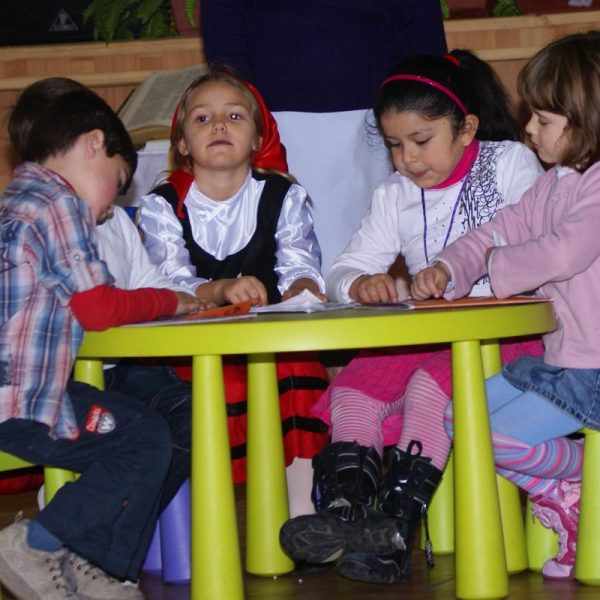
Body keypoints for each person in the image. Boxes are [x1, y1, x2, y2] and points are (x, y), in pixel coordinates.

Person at [279, 49, 545, 584]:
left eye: (421, 141)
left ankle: (396, 524)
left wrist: (460, 271)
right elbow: (344, 268)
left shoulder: (510, 163)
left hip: (507, 337)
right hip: (429, 337)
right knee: (353, 390)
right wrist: (360, 283)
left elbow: (535, 241)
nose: (407, 160)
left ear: (466, 129)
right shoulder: (394, 194)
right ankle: (348, 515)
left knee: (429, 388)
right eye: (395, 145)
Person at [0, 78, 204, 600]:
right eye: (117, 182)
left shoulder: (16, 201)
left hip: (21, 395)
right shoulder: (59, 205)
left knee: (137, 430)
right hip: (22, 401)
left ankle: (94, 569)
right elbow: (98, 308)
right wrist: (169, 300)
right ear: (94, 143)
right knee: (147, 438)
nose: (112, 206)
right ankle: (37, 542)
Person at [411, 30, 600, 581]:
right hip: (561, 366)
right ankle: (568, 489)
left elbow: (565, 252)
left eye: (543, 120)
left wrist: (495, 264)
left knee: (492, 437)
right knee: (459, 415)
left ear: (587, 120)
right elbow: (497, 229)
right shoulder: (554, 183)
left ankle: (579, 480)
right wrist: (450, 268)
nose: (529, 130)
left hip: (592, 372)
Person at [137, 68, 330, 516]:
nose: (219, 125)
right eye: (203, 118)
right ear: (183, 143)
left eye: (234, 116)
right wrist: (222, 289)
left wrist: (303, 288)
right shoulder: (162, 205)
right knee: (218, 384)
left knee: (299, 367)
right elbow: (167, 281)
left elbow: (300, 266)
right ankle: (214, 516)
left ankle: (302, 513)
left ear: (257, 137)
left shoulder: (283, 195)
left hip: (269, 343)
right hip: (194, 350)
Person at [201, 0, 448, 273]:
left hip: (381, 110)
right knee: (288, 253)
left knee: (378, 252)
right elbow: (222, 12)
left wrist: (433, 91)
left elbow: (420, 13)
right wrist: (237, 102)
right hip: (275, 113)